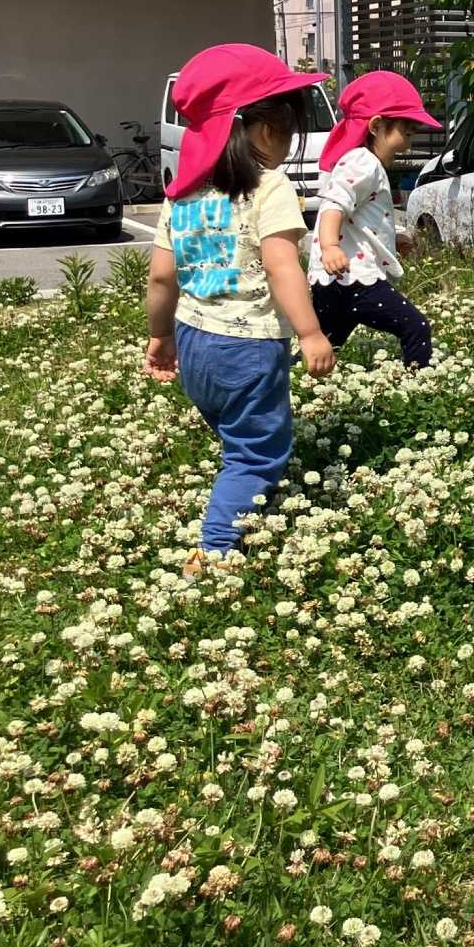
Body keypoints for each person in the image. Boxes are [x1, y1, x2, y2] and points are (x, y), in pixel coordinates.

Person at [143, 44, 335, 572]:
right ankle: (217, 548)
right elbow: (282, 265)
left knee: (237, 436)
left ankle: (235, 500)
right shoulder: (268, 186)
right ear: (259, 126)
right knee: (256, 452)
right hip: (247, 348)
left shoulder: (180, 195)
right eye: (288, 125)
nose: (291, 138)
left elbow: (162, 276)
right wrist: (311, 332)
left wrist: (160, 339)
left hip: (194, 343)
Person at [309, 71, 441, 368]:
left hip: (332, 279)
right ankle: (421, 386)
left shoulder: (360, 162)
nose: (408, 143)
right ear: (377, 125)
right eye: (406, 133)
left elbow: (362, 217)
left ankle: (289, 384)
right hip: (354, 277)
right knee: (415, 327)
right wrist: (330, 246)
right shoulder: (363, 161)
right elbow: (334, 205)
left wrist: (395, 236)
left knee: (326, 345)